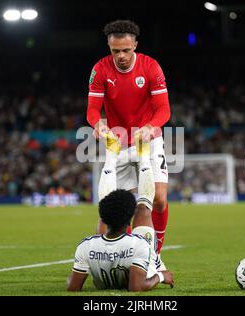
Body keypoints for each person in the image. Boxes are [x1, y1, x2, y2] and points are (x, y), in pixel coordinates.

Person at [87, 20, 171, 256]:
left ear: (135, 44)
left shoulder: (151, 66)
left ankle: (154, 255)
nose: (121, 56)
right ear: (109, 46)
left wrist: (151, 126)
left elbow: (164, 109)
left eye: (126, 50)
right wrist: (98, 125)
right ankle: (100, 257)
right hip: (118, 143)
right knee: (112, 208)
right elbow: (92, 110)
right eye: (115, 51)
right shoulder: (100, 69)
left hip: (149, 139)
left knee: (159, 200)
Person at [66, 189, 175, 291]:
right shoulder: (139, 244)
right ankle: (157, 263)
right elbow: (136, 287)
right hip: (146, 271)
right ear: (129, 222)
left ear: (103, 218)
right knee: (143, 210)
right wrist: (161, 276)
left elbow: (73, 287)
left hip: (101, 253)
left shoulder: (86, 245)